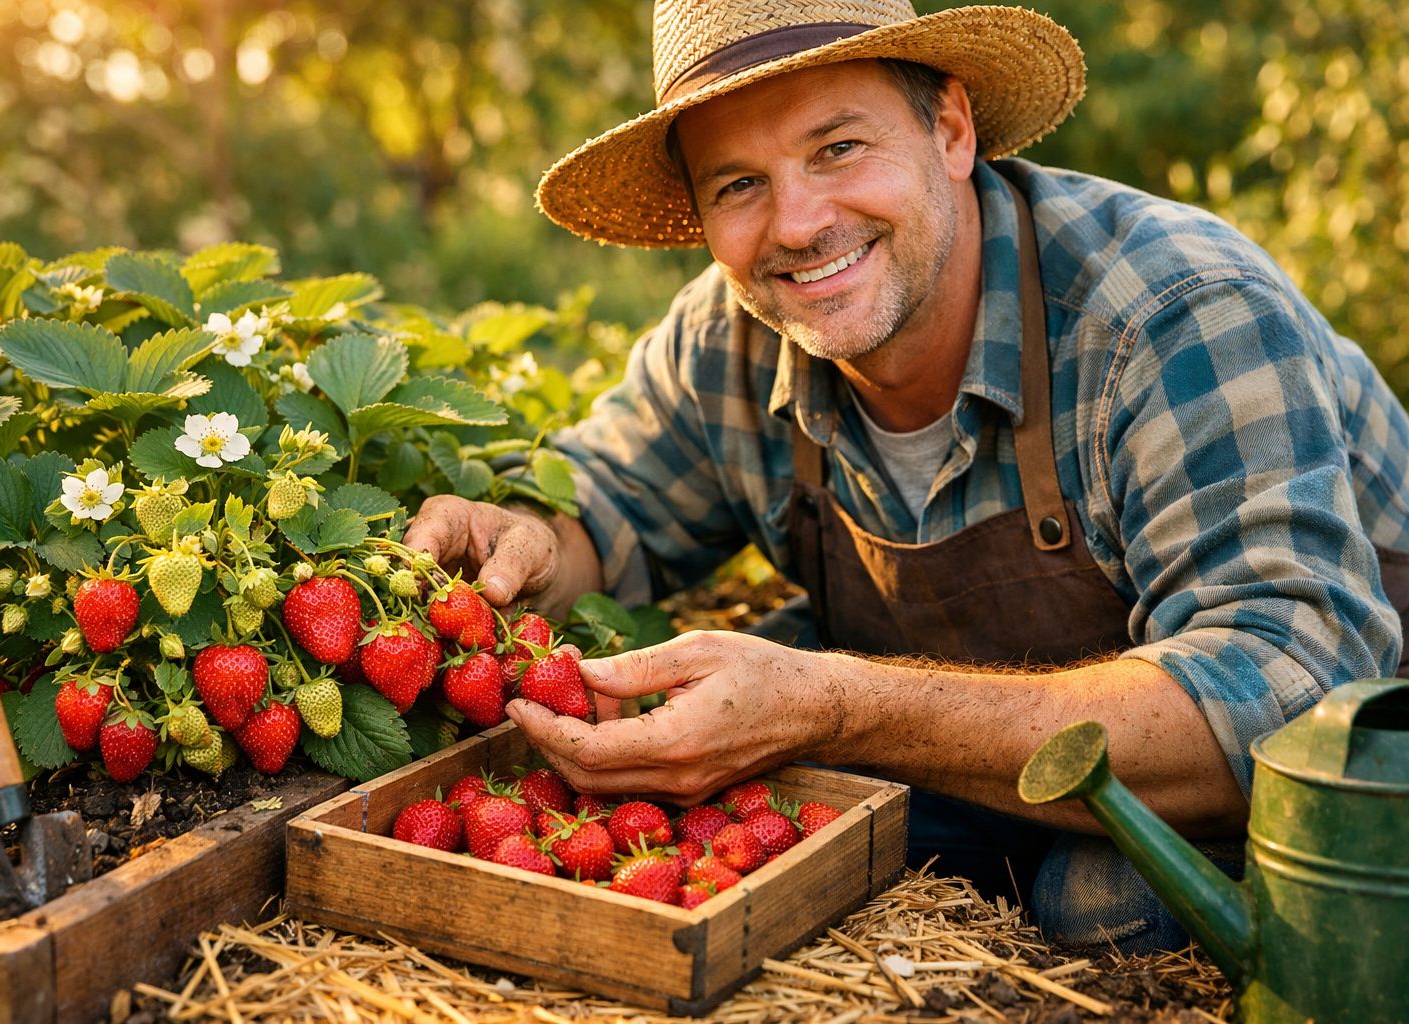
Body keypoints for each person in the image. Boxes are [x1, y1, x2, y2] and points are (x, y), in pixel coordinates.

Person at [403, 0, 1409, 951]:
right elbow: (609, 505)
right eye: (738, 185)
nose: (796, 224)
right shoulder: (736, 338)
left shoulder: (1170, 310)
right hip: (1006, 746)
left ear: (953, 131)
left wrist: (832, 700)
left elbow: (1287, 697)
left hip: (1362, 763)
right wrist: (529, 544)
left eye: (838, 148)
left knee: (1108, 900)